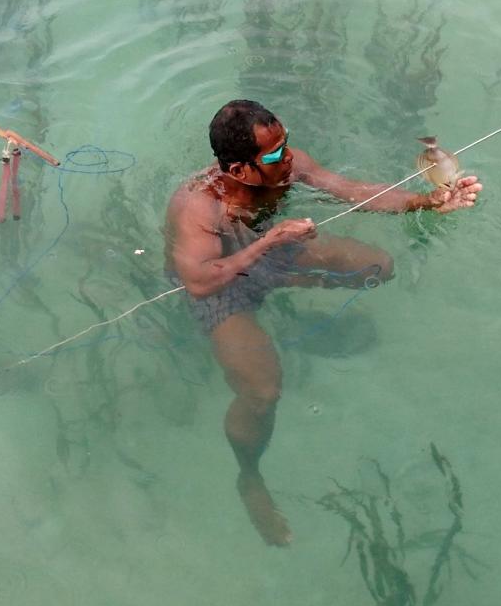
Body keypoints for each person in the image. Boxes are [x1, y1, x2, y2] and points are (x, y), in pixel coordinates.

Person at [163, 99, 481, 546]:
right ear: (238, 170)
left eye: (286, 143)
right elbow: (197, 282)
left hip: (272, 254)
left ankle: (288, 324)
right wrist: (271, 238)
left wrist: (426, 201)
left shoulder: (289, 164)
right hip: (222, 285)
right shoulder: (197, 205)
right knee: (262, 390)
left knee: (378, 266)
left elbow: (353, 190)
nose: (288, 157)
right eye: (273, 156)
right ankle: (249, 476)